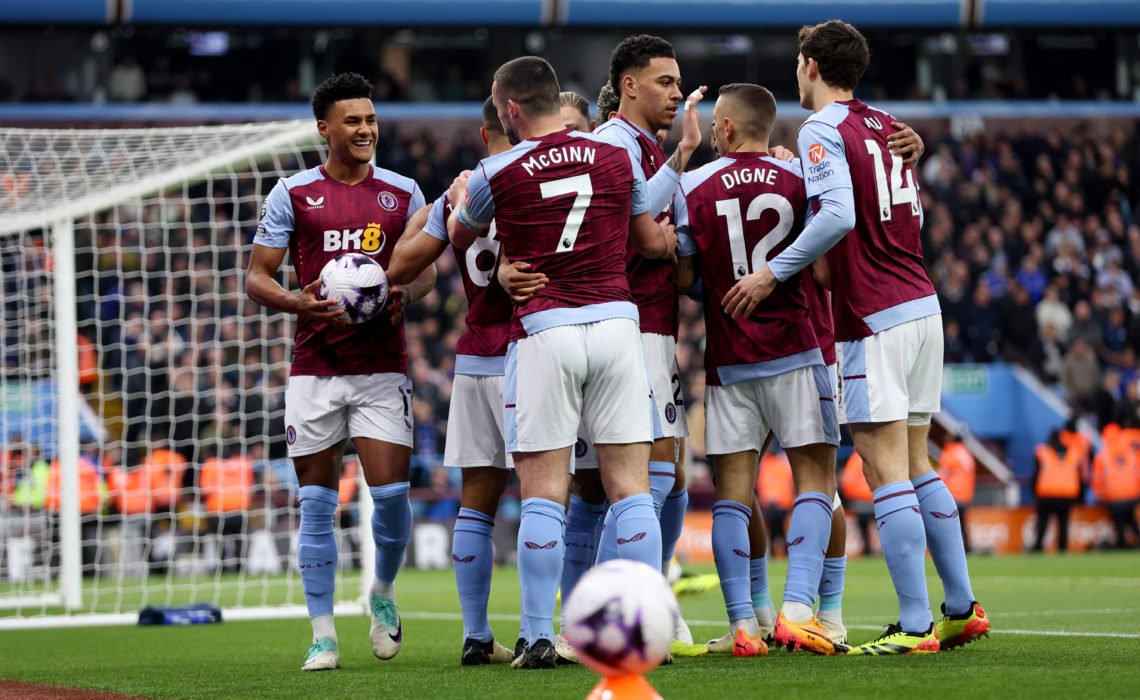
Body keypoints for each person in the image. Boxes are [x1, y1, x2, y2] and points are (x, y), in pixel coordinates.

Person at [742, 20, 989, 654]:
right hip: (922, 305)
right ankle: (961, 608)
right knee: (916, 462)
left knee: (884, 469)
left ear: (811, 65)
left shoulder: (820, 128)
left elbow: (839, 215)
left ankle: (915, 626)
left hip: (875, 315)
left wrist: (772, 272)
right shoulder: (886, 125)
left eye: (798, 63)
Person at [448, 56, 676, 669]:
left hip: (546, 330)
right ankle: (643, 630)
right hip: (618, 326)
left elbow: (461, 236)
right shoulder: (616, 156)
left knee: (545, 493)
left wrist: (470, 210)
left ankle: (537, 637)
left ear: (510, 109)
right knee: (632, 490)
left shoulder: (496, 170)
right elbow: (645, 238)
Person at [245, 72, 435, 672]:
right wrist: (297, 302)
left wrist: (404, 290)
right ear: (324, 129)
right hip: (315, 369)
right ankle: (323, 635)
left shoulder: (403, 191)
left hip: (381, 369)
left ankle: (382, 590)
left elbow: (428, 271)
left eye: (370, 119)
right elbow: (256, 277)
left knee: (393, 497)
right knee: (316, 504)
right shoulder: (293, 193)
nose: (365, 129)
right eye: (352, 120)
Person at [672, 83, 841, 656]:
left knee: (732, 497)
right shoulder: (801, 178)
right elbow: (826, 266)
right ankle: (798, 612)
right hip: (798, 349)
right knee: (815, 482)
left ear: (725, 127)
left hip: (730, 360)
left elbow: (683, 279)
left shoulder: (692, 185)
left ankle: (744, 626)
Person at [386, 97, 519, 666]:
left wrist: (440, 205)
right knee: (555, 499)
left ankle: (476, 634)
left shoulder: (459, 195)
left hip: (474, 360)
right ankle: (546, 631)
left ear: (482, 134)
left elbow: (403, 260)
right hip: (531, 354)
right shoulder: (535, 179)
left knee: (476, 504)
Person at [1032, 429, 1082, 552]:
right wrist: (1080, 497)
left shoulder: (1043, 452)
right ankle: (1062, 548)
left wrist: (1034, 492)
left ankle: (1038, 546)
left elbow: (1036, 474)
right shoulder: (1073, 453)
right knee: (1063, 523)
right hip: (1067, 495)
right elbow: (1079, 475)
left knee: (1043, 522)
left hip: (1046, 494)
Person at [1092, 424, 1140, 548]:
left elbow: (1097, 481)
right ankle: (1135, 539)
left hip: (1113, 498)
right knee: (1131, 519)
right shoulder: (1131, 454)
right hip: (1132, 496)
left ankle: (1122, 543)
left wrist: (1101, 497)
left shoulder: (1102, 456)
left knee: (1118, 520)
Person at [939, 434, 976, 551]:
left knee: (949, 523)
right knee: (962, 522)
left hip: (953, 494)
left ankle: (951, 549)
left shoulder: (950, 453)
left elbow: (942, 475)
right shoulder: (967, 454)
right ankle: (967, 547)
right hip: (966, 494)